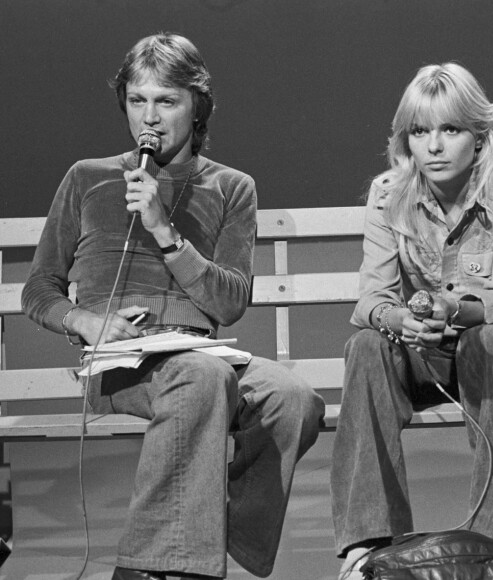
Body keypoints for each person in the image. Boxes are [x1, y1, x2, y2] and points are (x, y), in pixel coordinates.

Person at [22, 33, 324, 580]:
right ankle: (151, 568)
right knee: (201, 378)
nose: (150, 118)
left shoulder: (232, 187)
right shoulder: (87, 177)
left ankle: (209, 538)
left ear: (197, 105)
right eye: (138, 101)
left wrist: (166, 232)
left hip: (196, 352)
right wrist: (87, 321)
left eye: (167, 101)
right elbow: (39, 288)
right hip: (120, 362)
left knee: (294, 398)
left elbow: (229, 303)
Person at [329, 62, 493, 580]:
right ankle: (369, 551)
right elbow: (371, 300)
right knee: (366, 345)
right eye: (419, 131)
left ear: (479, 138)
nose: (432, 146)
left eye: (449, 130)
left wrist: (454, 307)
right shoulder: (390, 193)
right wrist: (400, 322)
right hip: (424, 356)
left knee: (491, 342)